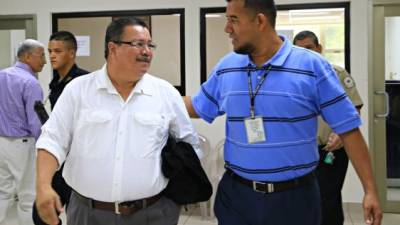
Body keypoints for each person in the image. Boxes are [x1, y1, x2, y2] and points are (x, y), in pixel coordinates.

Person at [183, 0, 382, 225]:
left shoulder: (312, 67)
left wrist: (370, 190)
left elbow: (348, 129)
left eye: (233, 20)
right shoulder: (227, 66)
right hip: (237, 195)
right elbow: (198, 106)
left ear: (260, 21)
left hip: (294, 198)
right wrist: (157, 94)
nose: (227, 28)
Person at [35, 17, 200, 225]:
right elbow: (52, 140)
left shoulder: (165, 93)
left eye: (150, 45)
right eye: (138, 44)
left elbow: (189, 144)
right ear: (112, 48)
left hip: (153, 212)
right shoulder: (79, 90)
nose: (147, 51)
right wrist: (43, 186)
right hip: (88, 213)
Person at [293, 30, 363, 225]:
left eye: (309, 48)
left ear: (319, 48)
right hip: (301, 151)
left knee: (327, 198)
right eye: (299, 50)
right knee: (303, 200)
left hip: (331, 150)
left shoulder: (337, 74)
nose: (305, 54)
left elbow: (355, 108)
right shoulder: (292, 78)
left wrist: (341, 134)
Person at [32, 31, 89, 225]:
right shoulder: (55, 81)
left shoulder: (84, 82)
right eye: (49, 51)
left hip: (79, 160)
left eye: (57, 51)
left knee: (77, 214)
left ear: (72, 53)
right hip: (59, 157)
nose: (52, 55)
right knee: (41, 213)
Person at [0, 39, 46, 225]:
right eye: (41, 55)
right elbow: (35, 122)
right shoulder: (30, 83)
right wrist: (46, 147)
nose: (45, 61)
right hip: (22, 144)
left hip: (0, 143)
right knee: (28, 197)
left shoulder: (1, 75)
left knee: (3, 192)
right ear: (27, 56)